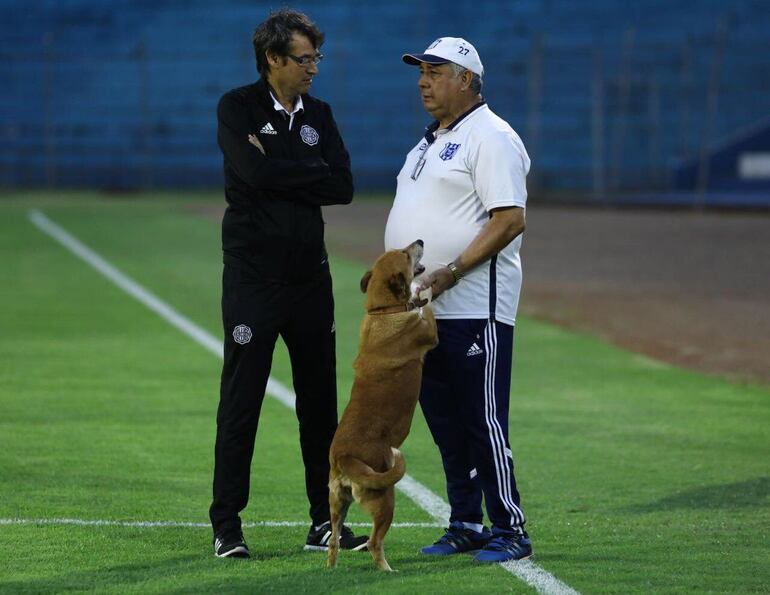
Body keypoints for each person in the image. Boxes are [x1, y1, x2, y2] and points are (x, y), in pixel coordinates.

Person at [209, 8, 367, 558]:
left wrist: (279, 166)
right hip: (253, 280)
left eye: (316, 58)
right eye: (305, 59)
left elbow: (344, 185)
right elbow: (251, 176)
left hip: (309, 283)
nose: (314, 68)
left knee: (320, 405)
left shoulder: (318, 114)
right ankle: (227, 525)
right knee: (241, 402)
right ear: (273, 59)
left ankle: (325, 521)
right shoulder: (237, 107)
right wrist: (308, 171)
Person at [384, 37, 533, 563]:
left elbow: (509, 219)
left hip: (474, 307)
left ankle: (509, 528)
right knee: (446, 421)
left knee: (482, 418)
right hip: (424, 314)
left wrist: (448, 271)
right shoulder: (427, 142)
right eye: (421, 71)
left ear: (466, 79)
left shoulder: (490, 137)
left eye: (435, 71)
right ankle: (466, 522)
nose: (423, 80)